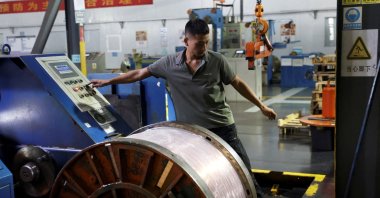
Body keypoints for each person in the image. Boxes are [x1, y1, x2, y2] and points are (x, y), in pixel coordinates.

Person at [91, 18, 277, 196]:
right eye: (199, 44)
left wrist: (261, 106)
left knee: (243, 172)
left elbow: (237, 83)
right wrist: (109, 81)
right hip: (191, 133)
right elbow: (140, 73)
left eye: (206, 43)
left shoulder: (217, 60)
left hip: (222, 128)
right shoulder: (169, 63)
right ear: (186, 41)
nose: (204, 48)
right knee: (204, 176)